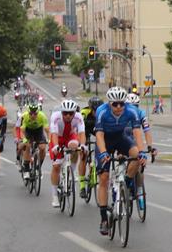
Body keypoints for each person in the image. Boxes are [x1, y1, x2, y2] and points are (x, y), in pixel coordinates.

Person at [94, 86, 146, 235]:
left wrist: (142, 152)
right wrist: (103, 153)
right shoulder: (102, 111)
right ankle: (104, 219)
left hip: (120, 138)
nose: (118, 107)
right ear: (109, 103)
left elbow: (137, 132)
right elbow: (99, 135)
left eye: (121, 104)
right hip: (105, 141)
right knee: (104, 178)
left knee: (136, 156)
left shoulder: (131, 111)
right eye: (115, 104)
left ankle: (127, 184)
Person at [48, 99, 84, 207]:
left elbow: (81, 133)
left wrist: (83, 145)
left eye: (71, 113)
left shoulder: (78, 117)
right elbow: (54, 133)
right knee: (56, 166)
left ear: (74, 113)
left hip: (70, 137)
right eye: (65, 113)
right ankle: (55, 195)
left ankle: (71, 172)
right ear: (61, 112)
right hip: (57, 138)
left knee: (76, 148)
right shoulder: (55, 116)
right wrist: (56, 146)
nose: (68, 116)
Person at [17, 103, 49, 181]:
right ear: (28, 112)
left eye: (35, 114)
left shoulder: (42, 116)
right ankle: (26, 169)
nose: (33, 115)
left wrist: (50, 140)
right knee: (27, 146)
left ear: (38, 113)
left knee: (42, 147)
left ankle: (38, 167)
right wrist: (24, 139)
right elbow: (22, 130)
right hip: (28, 131)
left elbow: (47, 130)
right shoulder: (24, 116)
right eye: (31, 114)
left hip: (38, 131)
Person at [79, 96, 102, 197]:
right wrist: (83, 145)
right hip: (85, 131)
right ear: (91, 109)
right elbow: (80, 130)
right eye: (94, 110)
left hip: (96, 130)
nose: (96, 112)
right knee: (83, 155)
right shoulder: (84, 113)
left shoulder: (103, 113)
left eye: (98, 110)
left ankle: (95, 169)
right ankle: (82, 186)